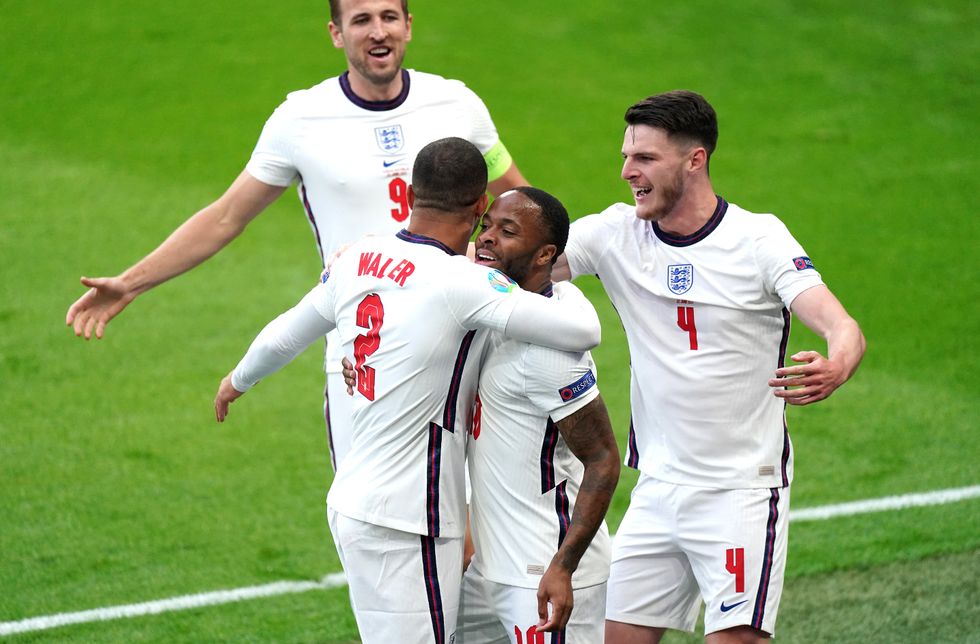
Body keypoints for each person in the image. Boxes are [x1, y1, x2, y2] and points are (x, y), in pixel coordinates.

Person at [65, 0, 528, 471]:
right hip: (362, 352)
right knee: (368, 517)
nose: (377, 31)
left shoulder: (456, 104)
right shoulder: (301, 120)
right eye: (361, 20)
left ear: (408, 26)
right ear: (336, 33)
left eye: (389, 17)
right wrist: (131, 282)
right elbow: (226, 217)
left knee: (477, 524)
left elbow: (520, 203)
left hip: (465, 340)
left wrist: (559, 273)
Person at [213, 138, 600, 644]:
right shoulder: (463, 282)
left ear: (411, 192)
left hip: (357, 498)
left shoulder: (360, 256)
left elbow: (287, 332)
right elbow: (582, 331)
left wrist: (237, 380)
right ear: (481, 205)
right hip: (409, 516)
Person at [554, 91, 866, 643]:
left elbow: (841, 326)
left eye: (645, 159)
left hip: (740, 494)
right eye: (627, 156)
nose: (628, 172)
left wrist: (837, 363)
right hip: (656, 488)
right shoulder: (614, 234)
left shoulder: (758, 239)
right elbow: (520, 263)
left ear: (694, 160)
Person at [461, 188, 621, 644]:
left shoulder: (550, 355)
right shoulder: (497, 308)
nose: (487, 238)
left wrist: (563, 567)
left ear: (545, 254)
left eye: (506, 232)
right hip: (490, 567)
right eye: (486, 225)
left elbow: (603, 459)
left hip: (541, 574)